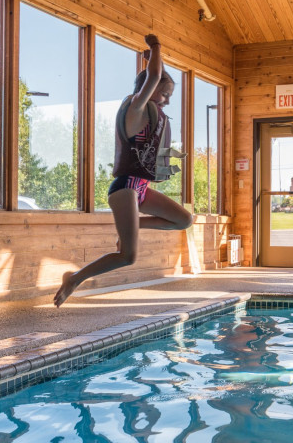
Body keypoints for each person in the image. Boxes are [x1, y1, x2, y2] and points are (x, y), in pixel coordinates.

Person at [54, 34, 192, 307]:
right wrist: (155, 47)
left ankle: (133, 226)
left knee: (184, 220)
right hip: (125, 187)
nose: (166, 100)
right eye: (165, 94)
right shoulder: (136, 108)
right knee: (129, 256)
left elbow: (153, 80)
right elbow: (152, 78)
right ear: (148, 90)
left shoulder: (150, 110)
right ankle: (74, 278)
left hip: (140, 188)